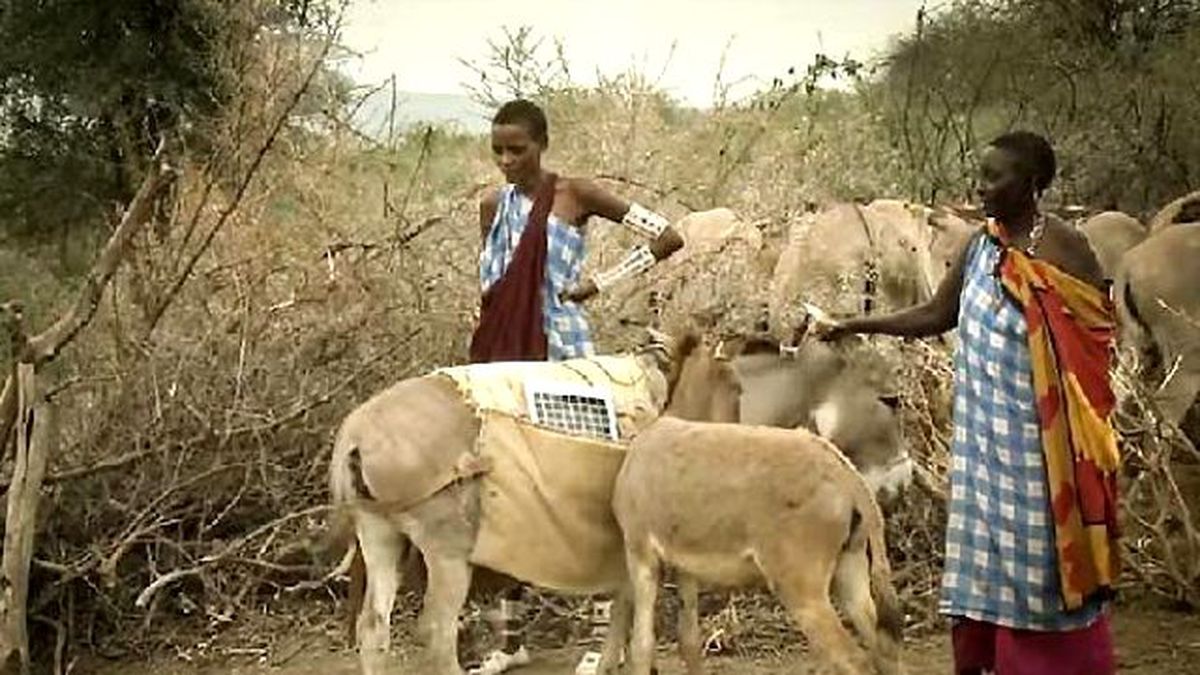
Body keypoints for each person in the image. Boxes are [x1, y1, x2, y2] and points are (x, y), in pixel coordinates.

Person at [814, 131, 1120, 675]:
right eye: (980, 175)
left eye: (994, 177)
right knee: (988, 565)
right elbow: (936, 314)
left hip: (1042, 450)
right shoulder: (982, 246)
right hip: (982, 447)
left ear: (1031, 184)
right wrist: (855, 324)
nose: (981, 188)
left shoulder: (1063, 250)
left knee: (1038, 566)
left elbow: (1095, 336)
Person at [468, 98, 684, 675]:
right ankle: (508, 641)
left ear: (542, 145)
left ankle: (601, 641)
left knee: (588, 486)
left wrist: (600, 283)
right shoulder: (492, 205)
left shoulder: (576, 196)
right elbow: (492, 288)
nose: (507, 161)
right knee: (502, 487)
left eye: (518, 149)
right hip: (503, 360)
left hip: (564, 355)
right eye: (498, 151)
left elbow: (668, 236)